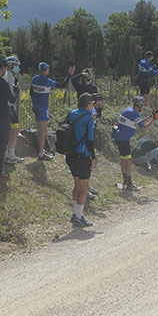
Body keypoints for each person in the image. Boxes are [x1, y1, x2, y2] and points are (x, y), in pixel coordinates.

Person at [112, 96, 158, 190]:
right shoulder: (134, 113)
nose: (142, 107)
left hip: (119, 137)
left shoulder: (129, 110)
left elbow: (140, 123)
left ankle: (125, 182)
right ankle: (129, 184)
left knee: (124, 160)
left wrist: (151, 116)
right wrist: (154, 119)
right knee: (127, 161)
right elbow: (144, 128)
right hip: (123, 139)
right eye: (142, 106)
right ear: (139, 106)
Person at [30, 62, 74, 160]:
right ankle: (41, 153)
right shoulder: (47, 81)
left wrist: (35, 102)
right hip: (43, 108)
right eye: (48, 68)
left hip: (36, 107)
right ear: (45, 70)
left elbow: (31, 92)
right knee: (43, 132)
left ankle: (42, 150)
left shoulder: (35, 79)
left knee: (41, 130)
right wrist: (69, 75)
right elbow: (62, 85)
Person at [66, 93, 96, 228]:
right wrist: (93, 157)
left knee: (77, 185)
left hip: (70, 155)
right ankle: (79, 216)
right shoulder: (89, 118)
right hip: (82, 155)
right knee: (83, 188)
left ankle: (75, 214)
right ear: (89, 104)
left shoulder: (71, 113)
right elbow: (90, 140)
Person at [3, 56, 24, 164]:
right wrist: (16, 90)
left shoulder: (11, 76)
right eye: (16, 66)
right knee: (9, 130)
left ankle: (12, 153)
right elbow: (11, 95)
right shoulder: (7, 76)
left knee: (15, 128)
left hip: (11, 106)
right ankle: (6, 155)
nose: (17, 68)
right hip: (7, 106)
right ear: (10, 65)